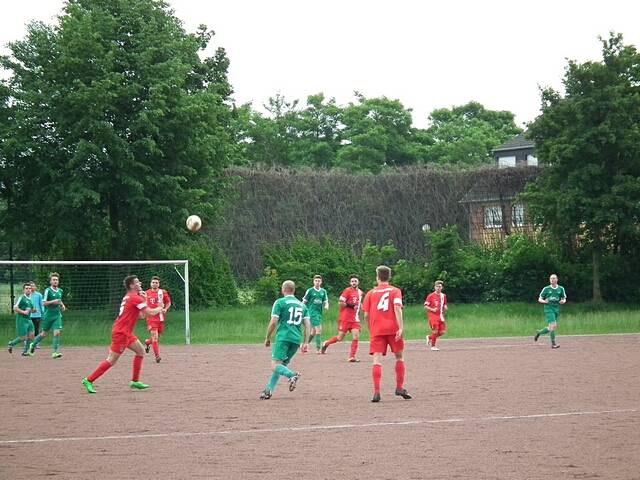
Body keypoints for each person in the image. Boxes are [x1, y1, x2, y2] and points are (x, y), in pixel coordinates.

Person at [82, 275, 164, 394]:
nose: (140, 283)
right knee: (111, 360)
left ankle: (135, 381)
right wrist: (159, 308)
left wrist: (145, 300)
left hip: (126, 332)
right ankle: (88, 380)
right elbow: (150, 312)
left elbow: (142, 316)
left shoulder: (131, 297)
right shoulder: (134, 298)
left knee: (140, 351)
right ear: (132, 285)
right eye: (137, 282)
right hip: (121, 333)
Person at [362, 265, 411, 403]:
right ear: (389, 277)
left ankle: (377, 393)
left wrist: (371, 329)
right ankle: (399, 387)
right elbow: (397, 307)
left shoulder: (370, 293)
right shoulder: (395, 291)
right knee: (399, 357)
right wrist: (400, 327)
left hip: (377, 329)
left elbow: (366, 315)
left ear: (377, 277)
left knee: (376, 360)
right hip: (393, 329)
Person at [260, 280, 310, 400]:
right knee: (281, 365)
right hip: (296, 339)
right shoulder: (302, 305)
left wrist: (267, 337)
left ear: (283, 290)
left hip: (283, 337)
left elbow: (273, 322)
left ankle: (292, 375)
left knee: (275, 364)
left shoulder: (280, 302)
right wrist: (306, 342)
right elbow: (308, 325)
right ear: (294, 290)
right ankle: (268, 390)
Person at [320, 275, 363, 362]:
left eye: (355, 281)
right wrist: (351, 306)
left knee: (356, 337)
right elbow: (341, 302)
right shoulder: (347, 291)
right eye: (352, 281)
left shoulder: (360, 293)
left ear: (358, 282)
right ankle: (326, 343)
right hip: (345, 318)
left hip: (355, 319)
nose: (354, 282)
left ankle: (352, 356)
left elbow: (360, 304)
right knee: (340, 338)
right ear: (350, 283)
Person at [28, 272, 66, 358]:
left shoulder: (60, 291)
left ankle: (55, 352)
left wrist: (62, 305)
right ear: (50, 281)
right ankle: (33, 345)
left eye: (56, 280)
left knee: (57, 333)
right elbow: (43, 303)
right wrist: (53, 301)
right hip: (48, 316)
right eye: (53, 280)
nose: (55, 281)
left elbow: (59, 300)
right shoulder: (47, 290)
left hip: (57, 315)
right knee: (44, 334)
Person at [143, 276, 172, 363]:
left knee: (156, 338)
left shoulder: (163, 292)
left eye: (156, 282)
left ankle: (148, 342)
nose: (154, 284)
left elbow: (168, 302)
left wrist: (165, 309)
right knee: (155, 338)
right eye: (153, 282)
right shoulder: (146, 293)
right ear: (150, 283)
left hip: (160, 318)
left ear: (159, 284)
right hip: (151, 318)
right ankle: (157, 356)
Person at [535, 274, 567, 349]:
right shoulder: (546, 289)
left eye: (554, 278)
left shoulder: (561, 289)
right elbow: (539, 299)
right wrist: (544, 301)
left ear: (557, 279)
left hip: (556, 309)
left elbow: (564, 298)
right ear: (550, 280)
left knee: (551, 327)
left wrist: (563, 301)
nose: (552, 280)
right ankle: (553, 344)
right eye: (551, 278)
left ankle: (539, 332)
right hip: (548, 309)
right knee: (553, 325)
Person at [302, 275, 329, 353]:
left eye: (319, 281)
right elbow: (304, 301)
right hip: (312, 312)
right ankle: (318, 349)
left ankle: (304, 345)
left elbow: (325, 301)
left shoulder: (323, 291)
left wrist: (326, 305)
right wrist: (301, 308)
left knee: (313, 332)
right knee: (318, 329)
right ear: (313, 282)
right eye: (316, 281)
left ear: (321, 282)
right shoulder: (310, 290)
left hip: (319, 313)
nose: (317, 282)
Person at [7, 283, 35, 356]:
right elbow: (15, 307)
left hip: (29, 319)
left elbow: (31, 309)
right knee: (23, 338)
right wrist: (24, 312)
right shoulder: (22, 298)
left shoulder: (30, 299)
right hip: (21, 320)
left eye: (29, 288)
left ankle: (25, 351)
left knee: (31, 335)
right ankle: (11, 344)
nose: (28, 290)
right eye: (26, 288)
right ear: (23, 290)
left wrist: (33, 310)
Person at [424, 280, 447, 351]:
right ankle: (433, 346)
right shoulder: (431, 296)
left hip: (440, 316)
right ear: (434, 287)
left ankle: (430, 337)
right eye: (437, 286)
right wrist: (432, 309)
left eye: (439, 286)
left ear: (442, 287)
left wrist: (445, 307)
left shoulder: (443, 296)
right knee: (435, 331)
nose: (438, 288)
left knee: (442, 332)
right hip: (433, 316)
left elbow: (444, 304)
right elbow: (425, 306)